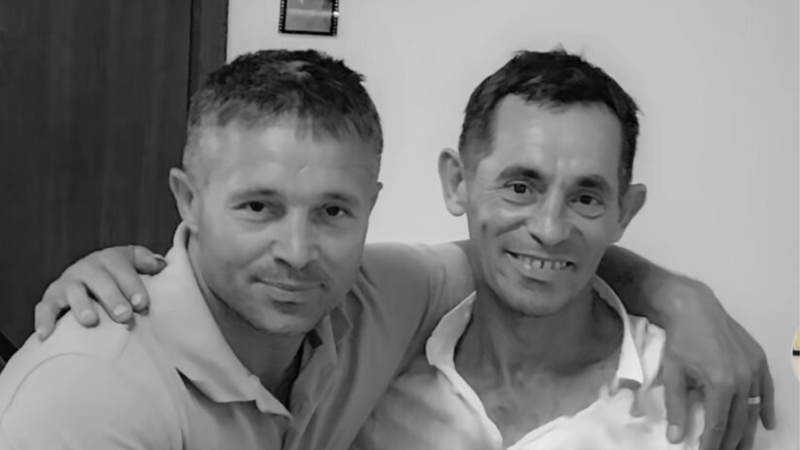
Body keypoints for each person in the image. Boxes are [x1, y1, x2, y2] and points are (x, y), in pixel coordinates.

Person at [11, 49, 773, 450]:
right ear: (186, 202)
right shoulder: (89, 387)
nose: (298, 252)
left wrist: (680, 297)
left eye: (333, 211)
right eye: (258, 207)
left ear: (371, 207)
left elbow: (523, 256)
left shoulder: (378, 299)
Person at [353, 49, 713, 450]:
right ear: (457, 182)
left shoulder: (695, 408)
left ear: (624, 212)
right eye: (520, 188)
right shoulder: (376, 383)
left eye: (586, 198)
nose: (550, 230)